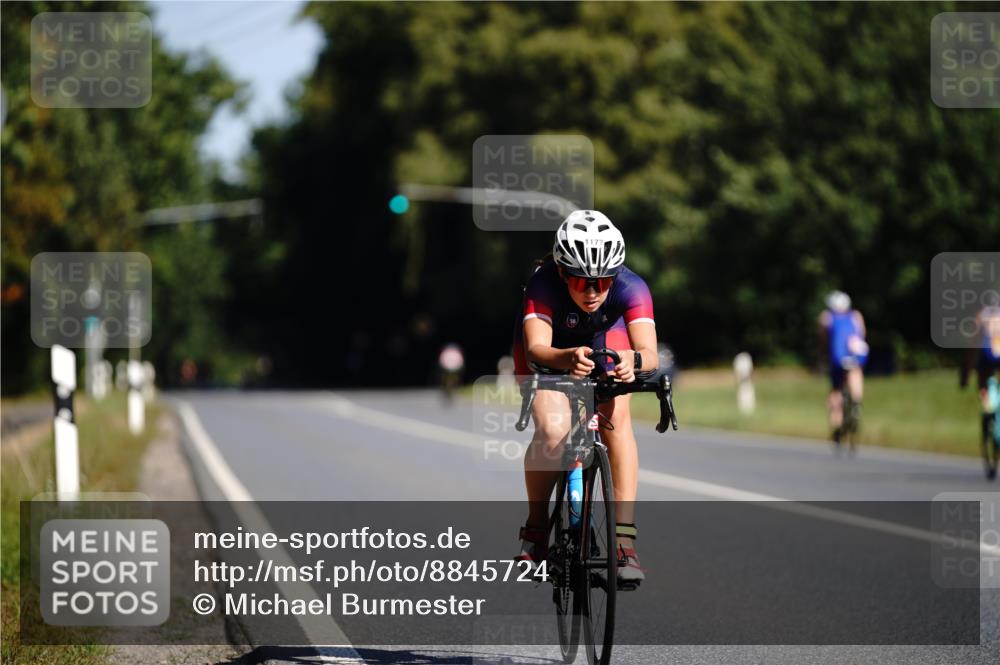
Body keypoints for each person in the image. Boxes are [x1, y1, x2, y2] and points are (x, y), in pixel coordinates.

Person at [511, 210, 658, 587]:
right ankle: (537, 532)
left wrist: (631, 362)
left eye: (602, 281)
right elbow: (536, 348)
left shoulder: (632, 287)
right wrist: (567, 357)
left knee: (617, 421)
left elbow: (649, 354)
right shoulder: (542, 284)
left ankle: (624, 541)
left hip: (606, 342)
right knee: (552, 431)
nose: (591, 292)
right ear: (562, 272)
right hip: (549, 353)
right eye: (580, 281)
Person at [818, 291, 868, 442]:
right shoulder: (856, 316)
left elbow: (823, 339)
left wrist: (821, 355)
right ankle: (856, 402)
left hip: (837, 358)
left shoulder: (826, 318)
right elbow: (862, 335)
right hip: (856, 353)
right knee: (855, 372)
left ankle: (837, 423)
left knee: (835, 391)